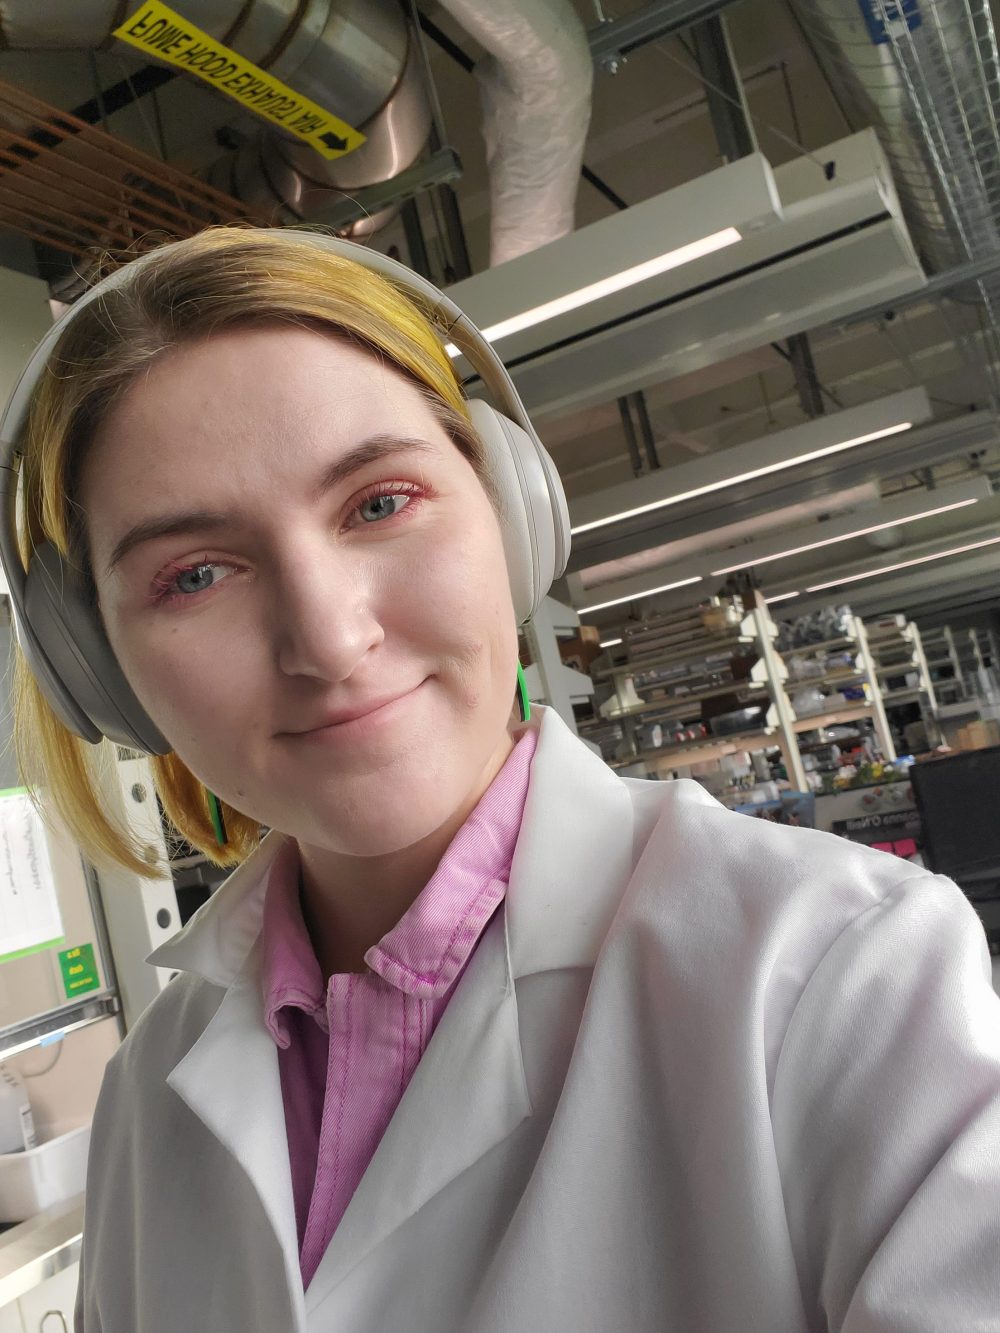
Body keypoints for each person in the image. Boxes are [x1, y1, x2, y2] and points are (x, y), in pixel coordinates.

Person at [1, 227, 997, 1333]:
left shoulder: (839, 973)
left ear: (512, 514)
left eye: (380, 503)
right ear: (98, 669)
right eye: (194, 575)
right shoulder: (155, 1087)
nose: (329, 639)